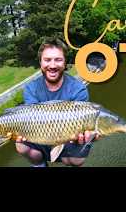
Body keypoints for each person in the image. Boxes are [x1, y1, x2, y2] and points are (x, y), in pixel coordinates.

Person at [15, 38, 100, 167]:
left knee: (76, 161)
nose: (52, 65)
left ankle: (66, 159)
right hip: (39, 134)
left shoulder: (78, 89)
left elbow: (84, 125)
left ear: (65, 62)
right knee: (21, 145)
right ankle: (39, 164)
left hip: (68, 139)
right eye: (47, 60)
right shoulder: (31, 88)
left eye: (58, 60)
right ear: (40, 62)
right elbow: (29, 119)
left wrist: (89, 135)